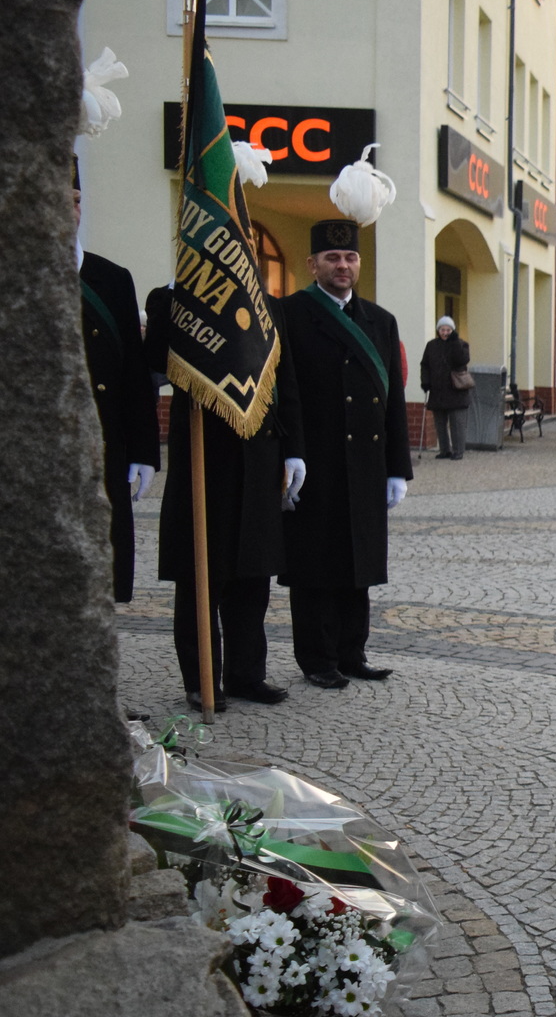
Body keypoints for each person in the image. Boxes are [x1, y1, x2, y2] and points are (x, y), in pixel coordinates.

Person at [149, 283, 306, 710]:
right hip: (205, 460)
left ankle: (246, 675)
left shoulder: (267, 305)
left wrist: (294, 450)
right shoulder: (175, 300)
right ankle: (202, 680)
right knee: (202, 576)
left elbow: (283, 375)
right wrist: (173, 299)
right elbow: (154, 365)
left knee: (253, 579)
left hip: (260, 457)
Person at [277, 218, 412, 690]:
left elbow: (393, 401)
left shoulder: (381, 320)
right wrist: (289, 455)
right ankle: (316, 658)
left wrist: (399, 468)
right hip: (317, 463)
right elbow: (283, 393)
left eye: (350, 257)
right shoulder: (289, 314)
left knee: (359, 561)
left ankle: (353, 652)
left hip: (366, 463)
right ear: (312, 264)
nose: (343, 265)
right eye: (332, 258)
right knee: (316, 563)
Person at [75, 166, 160, 604]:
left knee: (101, 566)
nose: (66, 210)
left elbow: (133, 372)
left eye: (73, 200)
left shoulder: (111, 278)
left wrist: (144, 451)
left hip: (104, 442)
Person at [420, 317, 471, 460]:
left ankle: (458, 451)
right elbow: (425, 365)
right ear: (438, 330)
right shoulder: (431, 345)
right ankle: (444, 450)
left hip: (456, 390)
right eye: (442, 330)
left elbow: (462, 360)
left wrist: (454, 343)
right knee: (440, 423)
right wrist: (425, 382)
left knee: (457, 424)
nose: (445, 333)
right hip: (438, 390)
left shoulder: (461, 344)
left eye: (448, 330)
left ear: (453, 331)